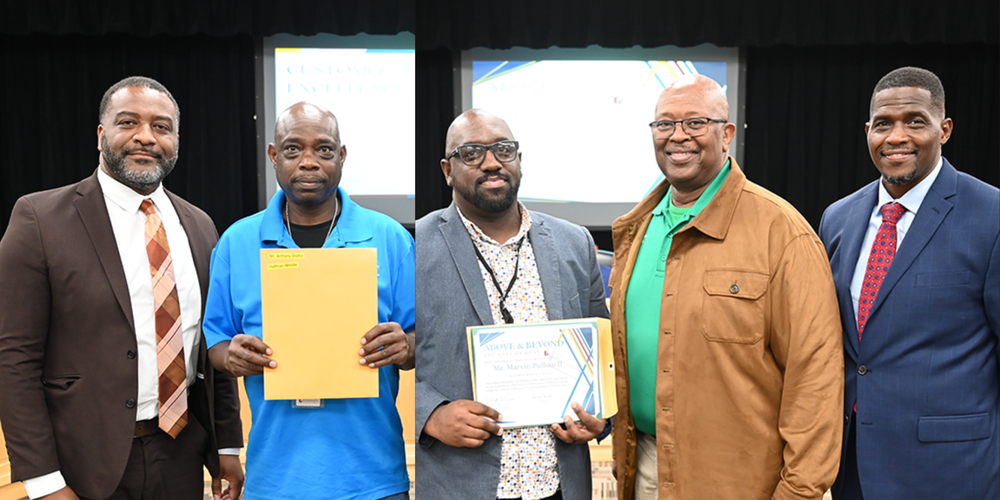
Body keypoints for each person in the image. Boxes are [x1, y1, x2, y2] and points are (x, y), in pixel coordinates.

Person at [0, 76, 244, 500]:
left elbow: (211, 342)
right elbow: (13, 358)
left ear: (176, 141)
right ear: (101, 135)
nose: (145, 137)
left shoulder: (200, 225)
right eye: (128, 122)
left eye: (161, 127)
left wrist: (227, 445)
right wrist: (43, 481)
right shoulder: (38, 219)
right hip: (80, 464)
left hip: (182, 452)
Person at [608, 75, 843, 500]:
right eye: (665, 124)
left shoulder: (781, 232)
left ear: (727, 134)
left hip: (742, 482)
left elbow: (816, 377)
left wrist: (799, 492)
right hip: (645, 467)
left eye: (695, 122)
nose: (678, 136)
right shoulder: (638, 229)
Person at [203, 101, 414, 500]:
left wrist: (407, 346)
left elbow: (421, 341)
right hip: (276, 478)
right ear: (273, 155)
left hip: (373, 478)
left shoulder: (390, 238)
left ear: (342, 155)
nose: (309, 162)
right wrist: (230, 356)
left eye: (324, 149)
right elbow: (215, 342)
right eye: (293, 149)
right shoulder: (236, 242)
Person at [818, 66, 1000, 500]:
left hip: (954, 471)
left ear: (945, 129)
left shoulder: (991, 215)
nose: (896, 137)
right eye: (883, 124)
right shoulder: (837, 218)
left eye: (915, 121)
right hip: (851, 467)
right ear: (868, 132)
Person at [415, 109, 610, 500]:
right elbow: (385, 353)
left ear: (519, 159)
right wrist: (429, 414)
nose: (491, 163)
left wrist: (601, 418)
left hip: (559, 484)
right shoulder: (415, 246)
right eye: (472, 153)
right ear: (447, 170)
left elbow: (603, 353)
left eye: (503, 150)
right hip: (462, 485)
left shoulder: (574, 243)